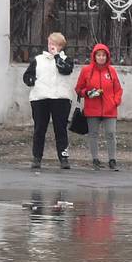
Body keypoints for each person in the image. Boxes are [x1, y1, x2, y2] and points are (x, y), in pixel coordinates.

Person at [22, 32, 76, 170]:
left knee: (60, 129)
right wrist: (30, 80)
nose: (51, 46)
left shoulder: (66, 59)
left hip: (60, 99)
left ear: (60, 46)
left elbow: (65, 70)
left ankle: (63, 157)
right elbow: (27, 75)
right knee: (39, 128)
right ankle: (37, 157)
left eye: (54, 43)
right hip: (41, 98)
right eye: (50, 43)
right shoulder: (39, 59)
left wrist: (57, 56)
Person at [75, 42, 124, 170]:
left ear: (107, 57)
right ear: (94, 56)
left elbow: (118, 89)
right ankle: (95, 159)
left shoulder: (111, 71)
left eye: (103, 55)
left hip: (109, 109)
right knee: (93, 134)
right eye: (99, 55)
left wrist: (115, 101)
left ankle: (112, 159)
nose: (101, 58)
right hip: (92, 108)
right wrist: (87, 93)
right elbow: (78, 89)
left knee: (111, 133)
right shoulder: (86, 71)